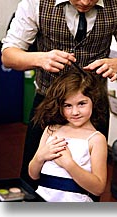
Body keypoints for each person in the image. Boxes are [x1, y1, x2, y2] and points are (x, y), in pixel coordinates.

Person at [1, 0, 117, 189]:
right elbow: (9, 56)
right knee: (32, 181)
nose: (86, 1)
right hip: (48, 103)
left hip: (93, 108)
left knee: (90, 185)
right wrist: (39, 58)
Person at [28, 70, 107, 202]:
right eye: (68, 105)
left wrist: (69, 164)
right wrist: (40, 157)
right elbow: (33, 174)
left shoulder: (96, 139)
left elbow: (98, 188)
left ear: (94, 101)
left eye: (81, 104)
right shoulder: (51, 130)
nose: (75, 112)